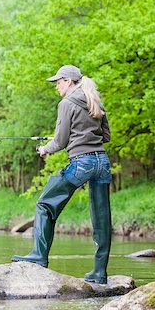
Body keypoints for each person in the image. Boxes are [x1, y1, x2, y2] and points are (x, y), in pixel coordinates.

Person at [12, 65, 112, 284]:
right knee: (101, 219)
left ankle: (39, 256)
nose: (56, 86)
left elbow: (60, 142)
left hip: (81, 163)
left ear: (68, 81)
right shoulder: (94, 100)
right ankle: (99, 273)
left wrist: (44, 149)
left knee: (45, 205)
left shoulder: (66, 103)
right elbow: (105, 136)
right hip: (102, 163)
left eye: (58, 82)